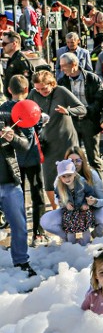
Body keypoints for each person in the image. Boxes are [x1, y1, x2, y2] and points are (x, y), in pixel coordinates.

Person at [28, 71, 86, 209]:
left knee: (72, 174)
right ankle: (57, 209)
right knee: (49, 178)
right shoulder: (33, 94)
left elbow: (82, 109)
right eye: (38, 88)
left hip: (67, 142)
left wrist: (68, 111)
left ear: (52, 84)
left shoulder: (61, 91)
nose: (41, 91)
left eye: (44, 88)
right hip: (47, 143)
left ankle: (77, 206)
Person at [0, 76, 46, 245]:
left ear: (9, 90)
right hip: (32, 157)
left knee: (17, 199)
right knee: (37, 195)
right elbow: (39, 126)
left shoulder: (3, 108)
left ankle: (17, 233)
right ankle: (38, 233)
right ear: (27, 90)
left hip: (12, 161)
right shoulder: (32, 106)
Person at [0, 108, 37, 275]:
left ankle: (21, 261)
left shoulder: (7, 118)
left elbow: (25, 145)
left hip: (10, 183)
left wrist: (12, 137)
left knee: (19, 225)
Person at [58, 52, 103, 171]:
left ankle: (97, 185)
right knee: (73, 156)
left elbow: (99, 100)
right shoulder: (62, 81)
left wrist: (87, 111)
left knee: (93, 157)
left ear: (74, 64)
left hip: (89, 120)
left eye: (64, 66)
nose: (61, 69)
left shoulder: (92, 78)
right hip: (71, 121)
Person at [52, 158, 98, 245]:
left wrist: (86, 203)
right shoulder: (59, 186)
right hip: (70, 211)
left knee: (85, 229)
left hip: (82, 209)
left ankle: (86, 245)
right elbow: (58, 197)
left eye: (69, 175)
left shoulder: (81, 182)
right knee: (70, 231)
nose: (67, 179)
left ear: (74, 174)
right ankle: (71, 247)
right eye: (63, 176)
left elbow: (90, 193)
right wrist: (65, 203)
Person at [1, 31, 34, 98]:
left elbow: (27, 84)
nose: (2, 46)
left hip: (20, 100)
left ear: (14, 44)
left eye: (4, 44)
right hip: (13, 99)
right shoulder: (12, 59)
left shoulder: (20, 61)